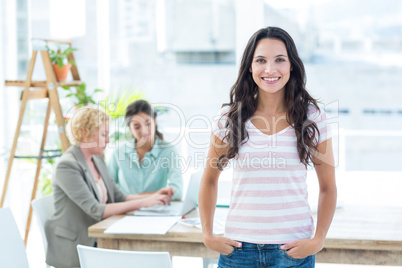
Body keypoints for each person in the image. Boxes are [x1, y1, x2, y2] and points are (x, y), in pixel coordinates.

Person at [198, 26, 337, 268]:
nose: (270, 70)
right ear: (250, 67)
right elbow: (209, 179)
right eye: (261, 60)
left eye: (280, 60)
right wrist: (208, 235)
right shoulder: (229, 118)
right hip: (239, 252)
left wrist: (318, 240)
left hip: (293, 252)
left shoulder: (313, 117)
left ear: (291, 65)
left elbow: (328, 187)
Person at [44, 106, 173, 268]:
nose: (108, 140)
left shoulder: (96, 159)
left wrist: (152, 197)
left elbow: (119, 196)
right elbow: (97, 209)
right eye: (104, 135)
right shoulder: (67, 166)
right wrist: (145, 202)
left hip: (99, 238)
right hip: (77, 244)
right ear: (85, 132)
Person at [107, 100, 183, 200]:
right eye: (137, 126)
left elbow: (177, 192)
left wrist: (132, 198)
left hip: (157, 212)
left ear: (154, 121)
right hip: (124, 212)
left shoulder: (168, 151)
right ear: (130, 128)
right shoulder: (118, 153)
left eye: (147, 124)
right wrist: (155, 196)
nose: (144, 130)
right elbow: (108, 189)